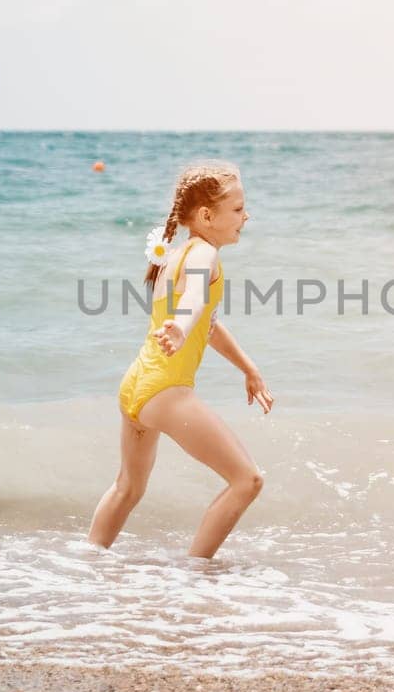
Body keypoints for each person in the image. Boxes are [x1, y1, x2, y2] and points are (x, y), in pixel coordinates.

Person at [88, 162, 275, 558]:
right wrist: (181, 326)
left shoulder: (173, 255)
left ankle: (88, 563)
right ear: (207, 215)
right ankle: (195, 576)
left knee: (127, 488)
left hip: (137, 385)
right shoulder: (203, 254)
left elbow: (207, 322)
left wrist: (248, 368)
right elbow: (193, 303)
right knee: (247, 480)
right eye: (239, 209)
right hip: (166, 391)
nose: (247, 217)